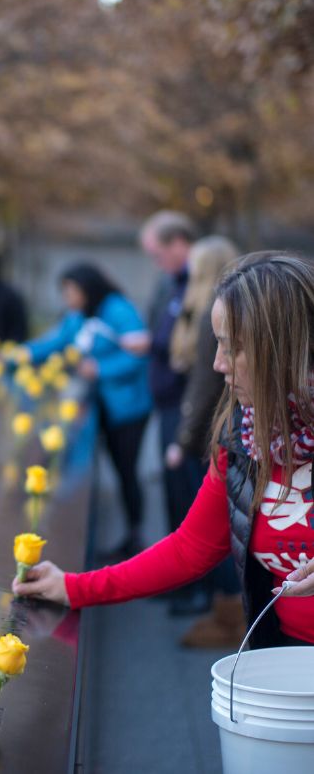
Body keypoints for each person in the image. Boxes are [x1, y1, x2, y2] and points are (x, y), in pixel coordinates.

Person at [13, 252, 314, 649]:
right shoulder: (244, 438)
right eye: (217, 344)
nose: (217, 364)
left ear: (287, 349)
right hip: (288, 664)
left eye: (234, 348)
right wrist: (74, 587)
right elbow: (189, 549)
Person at [25, 263, 152, 556]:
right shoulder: (78, 316)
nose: (67, 297)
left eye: (70, 291)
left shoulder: (118, 310)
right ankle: (128, 536)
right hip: (102, 405)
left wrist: (100, 368)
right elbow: (55, 342)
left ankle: (137, 534)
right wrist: (18, 353)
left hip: (129, 407)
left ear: (87, 289)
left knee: (126, 469)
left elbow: (139, 356)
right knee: (111, 466)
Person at [165, 236, 243, 646]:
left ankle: (230, 614)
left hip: (212, 430)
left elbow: (204, 380)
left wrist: (183, 437)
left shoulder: (218, 309)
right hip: (219, 428)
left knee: (226, 531)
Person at [138, 210, 209, 614]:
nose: (157, 262)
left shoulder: (196, 289)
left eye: (158, 253)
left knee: (190, 501)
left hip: (184, 411)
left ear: (179, 244)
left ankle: (199, 590)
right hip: (169, 405)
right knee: (173, 496)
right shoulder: (171, 284)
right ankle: (178, 580)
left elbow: (198, 368)